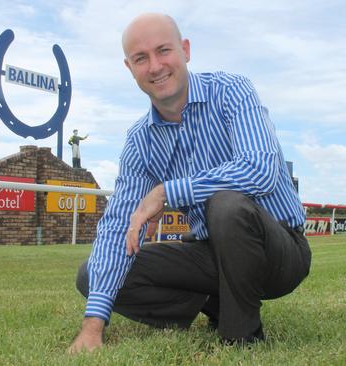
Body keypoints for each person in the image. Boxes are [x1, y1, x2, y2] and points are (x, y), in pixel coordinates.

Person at [68, 13, 311, 353]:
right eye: (141, 58)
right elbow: (118, 227)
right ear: (130, 68)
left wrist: (168, 191)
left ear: (185, 50)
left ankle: (241, 336)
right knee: (93, 276)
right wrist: (93, 326)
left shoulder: (231, 91)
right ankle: (216, 302)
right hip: (210, 253)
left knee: (226, 204)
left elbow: (261, 170)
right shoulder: (141, 140)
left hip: (277, 249)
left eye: (163, 50)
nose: (155, 66)